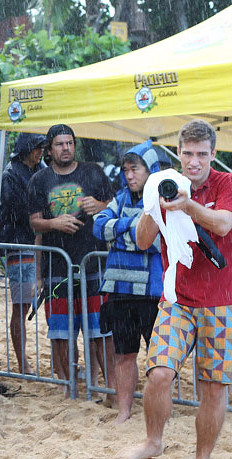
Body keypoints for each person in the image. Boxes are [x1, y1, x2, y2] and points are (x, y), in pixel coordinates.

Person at [116, 119, 232, 459]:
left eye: (202, 154)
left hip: (222, 302)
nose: (194, 162)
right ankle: (153, 441)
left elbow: (222, 225)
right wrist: (154, 207)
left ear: (213, 155)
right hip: (178, 299)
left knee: (214, 387)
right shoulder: (164, 185)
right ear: (178, 152)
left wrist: (187, 207)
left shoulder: (228, 183)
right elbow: (142, 241)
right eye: (187, 154)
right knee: (158, 373)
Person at [26, 124, 113, 393]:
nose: (66, 148)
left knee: (98, 331)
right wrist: (55, 224)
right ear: (49, 150)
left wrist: (100, 207)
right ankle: (69, 384)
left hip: (94, 264)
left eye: (70, 143)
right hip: (57, 268)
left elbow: (117, 206)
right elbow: (34, 224)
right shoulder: (39, 180)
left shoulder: (93, 172)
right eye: (60, 144)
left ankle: (99, 384)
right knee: (61, 333)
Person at [92, 141, 167, 424]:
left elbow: (153, 242)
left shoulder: (163, 199)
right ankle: (124, 412)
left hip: (152, 292)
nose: (129, 175)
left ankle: (158, 413)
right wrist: (132, 226)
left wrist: (124, 231)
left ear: (150, 170)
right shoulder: (120, 198)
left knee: (159, 359)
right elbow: (99, 227)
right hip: (120, 292)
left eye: (134, 169)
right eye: (126, 170)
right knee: (124, 355)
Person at [0, 132, 46, 374]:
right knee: (21, 305)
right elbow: (20, 211)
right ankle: (22, 362)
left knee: (26, 304)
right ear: (26, 148)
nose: (41, 152)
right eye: (37, 148)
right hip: (19, 244)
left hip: (35, 242)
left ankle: (25, 361)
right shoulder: (11, 174)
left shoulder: (38, 169)